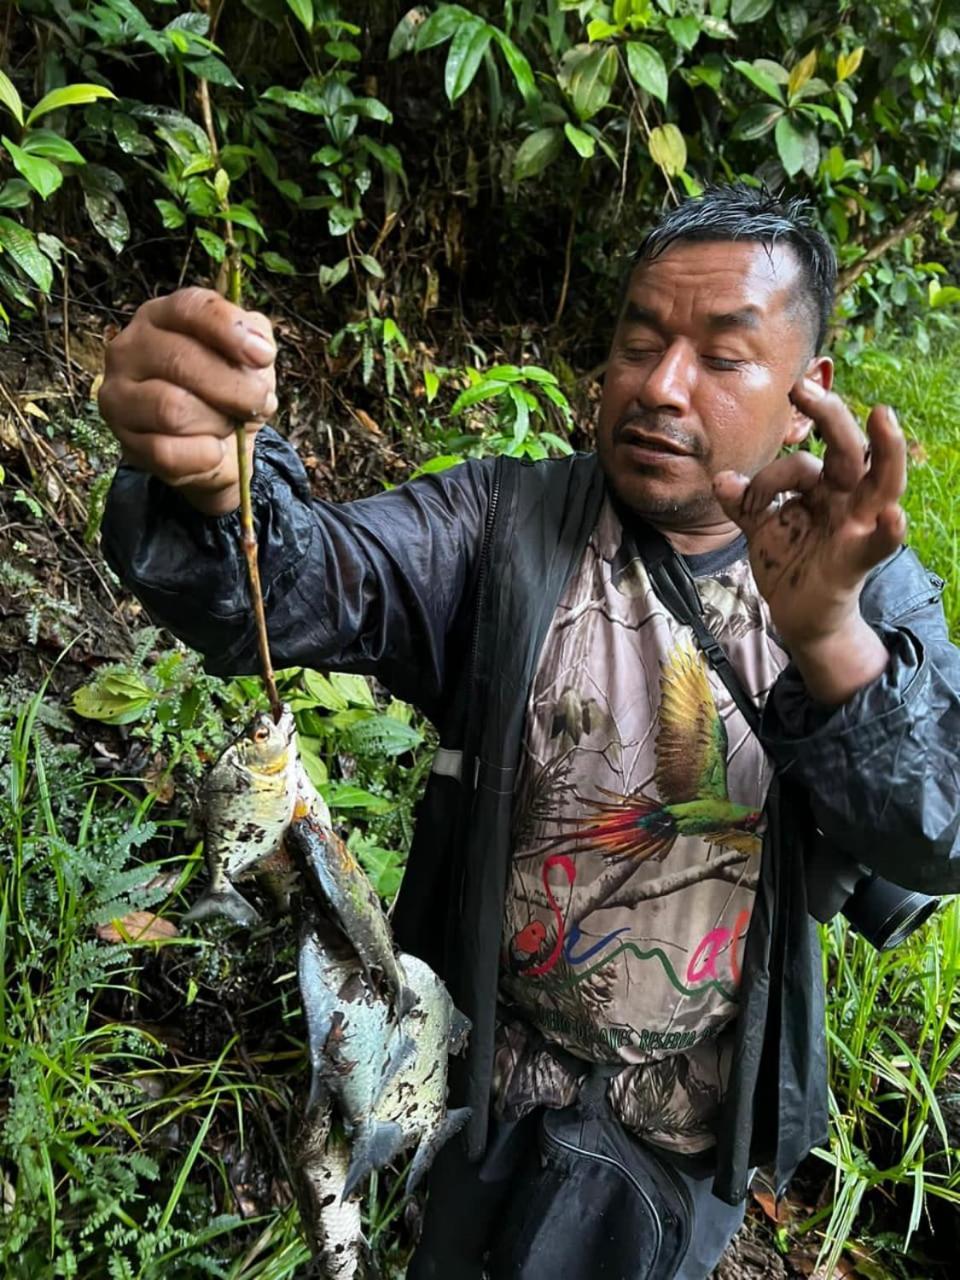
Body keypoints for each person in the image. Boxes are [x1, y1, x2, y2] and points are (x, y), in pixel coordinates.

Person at [98, 185, 960, 1279]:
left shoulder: (866, 585)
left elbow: (937, 829)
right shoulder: (499, 528)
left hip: (681, 1133)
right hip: (478, 1087)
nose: (659, 386)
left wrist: (831, 637)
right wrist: (214, 491)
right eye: (638, 342)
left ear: (807, 395)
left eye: (723, 357)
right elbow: (306, 579)